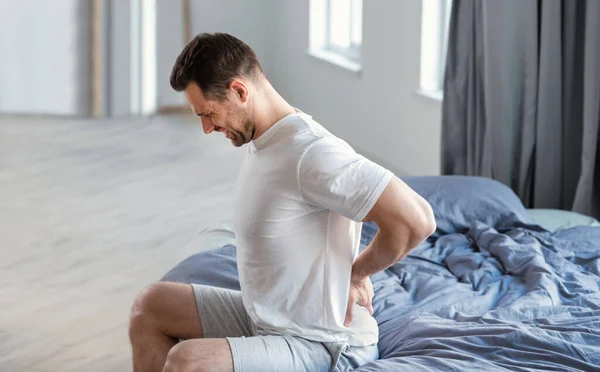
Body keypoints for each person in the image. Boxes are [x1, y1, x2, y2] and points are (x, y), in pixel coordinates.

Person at [128, 32, 436, 372]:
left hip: (322, 344)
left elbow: (417, 219)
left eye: (208, 114)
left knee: (189, 362)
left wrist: (357, 272)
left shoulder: (311, 152)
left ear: (240, 91)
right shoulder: (267, 141)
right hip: (266, 320)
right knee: (150, 306)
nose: (205, 128)